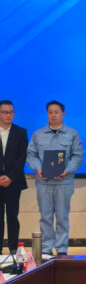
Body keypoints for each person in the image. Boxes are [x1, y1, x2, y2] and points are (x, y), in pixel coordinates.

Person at [26, 101, 82, 257]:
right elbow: (31, 155)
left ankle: (62, 248)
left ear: (63, 114)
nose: (53, 115)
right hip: (43, 182)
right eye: (50, 112)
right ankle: (46, 247)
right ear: (47, 114)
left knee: (62, 217)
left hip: (64, 182)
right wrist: (38, 168)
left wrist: (66, 170)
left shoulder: (72, 134)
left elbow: (77, 156)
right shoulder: (38, 134)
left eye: (56, 112)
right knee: (45, 217)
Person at [0, 100, 27, 255]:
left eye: (11, 112)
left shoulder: (20, 132)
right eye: (5, 112)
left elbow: (22, 157)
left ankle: (13, 249)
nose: (9, 115)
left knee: (12, 217)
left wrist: (10, 177)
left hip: (13, 182)